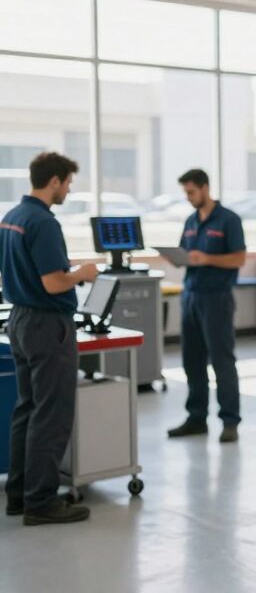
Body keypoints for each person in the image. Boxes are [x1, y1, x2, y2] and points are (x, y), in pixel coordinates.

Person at [0, 152, 99, 525]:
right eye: (68, 183)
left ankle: (19, 495)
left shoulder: (11, 218)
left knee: (26, 409)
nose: (69, 190)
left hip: (20, 321)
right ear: (54, 181)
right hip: (46, 324)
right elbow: (53, 281)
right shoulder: (43, 222)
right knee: (51, 414)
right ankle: (41, 502)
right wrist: (82, 273)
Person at [167, 169, 246, 443]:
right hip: (191, 296)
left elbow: (238, 259)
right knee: (192, 361)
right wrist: (178, 258)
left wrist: (208, 259)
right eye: (186, 193)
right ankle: (196, 418)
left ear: (204, 188)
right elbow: (185, 252)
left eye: (191, 192)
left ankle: (230, 421)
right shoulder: (190, 221)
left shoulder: (229, 220)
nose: (188, 198)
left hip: (217, 298)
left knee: (222, 360)